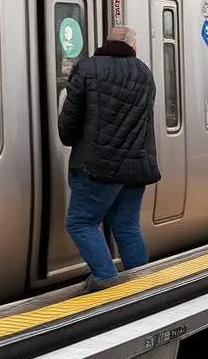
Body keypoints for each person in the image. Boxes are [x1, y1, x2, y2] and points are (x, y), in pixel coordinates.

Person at [57, 24, 160, 291]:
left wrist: (69, 139)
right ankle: (143, 284)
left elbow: (69, 121)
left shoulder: (87, 68)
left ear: (108, 42)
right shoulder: (144, 73)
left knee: (80, 222)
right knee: (126, 224)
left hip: (97, 168)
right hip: (136, 167)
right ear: (132, 47)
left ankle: (105, 276)